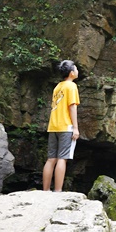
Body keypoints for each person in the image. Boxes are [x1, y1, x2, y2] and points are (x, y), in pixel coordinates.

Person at [43, 59, 80, 191]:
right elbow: (72, 107)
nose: (77, 70)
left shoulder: (58, 87)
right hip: (65, 126)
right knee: (62, 159)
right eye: (75, 68)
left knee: (51, 159)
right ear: (71, 73)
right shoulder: (72, 86)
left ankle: (45, 190)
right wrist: (75, 128)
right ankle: (58, 192)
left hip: (53, 126)